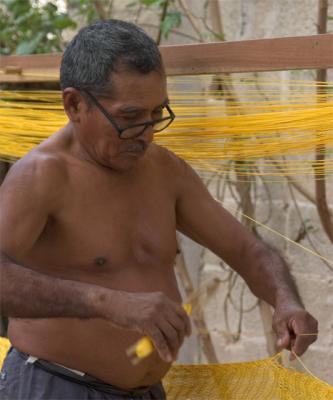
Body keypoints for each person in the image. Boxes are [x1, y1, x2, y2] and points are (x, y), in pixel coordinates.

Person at [0, 19, 318, 400]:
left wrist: (286, 299)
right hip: (58, 385)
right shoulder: (40, 176)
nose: (147, 133)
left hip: (147, 391)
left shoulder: (165, 170)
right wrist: (106, 302)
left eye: (157, 114)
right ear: (74, 104)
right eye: (130, 117)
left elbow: (246, 250)